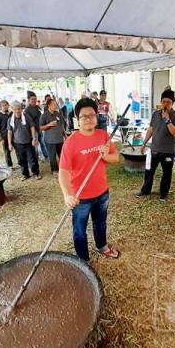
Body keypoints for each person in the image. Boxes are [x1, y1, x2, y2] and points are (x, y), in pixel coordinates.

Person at [59, 98, 120, 261]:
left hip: (102, 193)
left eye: (91, 115)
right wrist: (67, 195)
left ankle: (102, 246)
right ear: (76, 120)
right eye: (83, 116)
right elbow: (63, 172)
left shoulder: (103, 135)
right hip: (80, 198)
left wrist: (106, 155)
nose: (88, 119)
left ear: (96, 116)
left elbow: (116, 158)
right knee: (79, 230)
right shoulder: (70, 142)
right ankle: (83, 260)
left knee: (100, 223)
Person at [136, 89, 175, 202]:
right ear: (161, 102)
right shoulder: (155, 114)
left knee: (166, 174)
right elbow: (151, 129)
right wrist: (144, 143)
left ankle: (164, 194)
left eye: (168, 102)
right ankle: (145, 191)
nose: (165, 104)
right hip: (154, 149)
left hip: (168, 151)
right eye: (164, 101)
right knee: (149, 171)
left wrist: (168, 120)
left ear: (172, 103)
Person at [8, 101, 41, 180]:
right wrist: (10, 144)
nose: (17, 111)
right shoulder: (10, 120)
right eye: (15, 109)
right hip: (18, 143)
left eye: (19, 109)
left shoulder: (26, 116)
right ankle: (25, 174)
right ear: (12, 110)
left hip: (29, 142)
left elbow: (32, 127)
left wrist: (34, 139)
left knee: (32, 159)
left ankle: (36, 173)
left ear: (21, 109)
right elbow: (9, 132)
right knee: (21, 160)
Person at [40, 98, 66, 175]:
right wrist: (49, 124)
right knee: (52, 156)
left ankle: (62, 168)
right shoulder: (44, 115)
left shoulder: (58, 114)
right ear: (49, 105)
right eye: (54, 104)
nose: (55, 106)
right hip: (50, 140)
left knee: (61, 155)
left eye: (56, 104)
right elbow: (41, 128)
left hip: (59, 139)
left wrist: (65, 136)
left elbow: (62, 126)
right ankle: (54, 170)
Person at [25, 91, 49, 161]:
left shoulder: (37, 107)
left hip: (40, 128)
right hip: (33, 130)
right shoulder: (26, 110)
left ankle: (46, 156)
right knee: (35, 145)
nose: (34, 100)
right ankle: (35, 158)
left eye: (35, 99)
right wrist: (34, 133)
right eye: (32, 99)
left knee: (43, 143)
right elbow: (30, 122)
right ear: (29, 100)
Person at [0, 100, 14, 168]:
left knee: (19, 149)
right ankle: (10, 166)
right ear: (0, 107)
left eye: (6, 105)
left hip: (14, 135)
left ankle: (22, 163)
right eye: (3, 105)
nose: (5, 106)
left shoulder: (12, 113)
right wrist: (0, 138)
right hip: (5, 136)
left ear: (8, 105)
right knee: (7, 152)